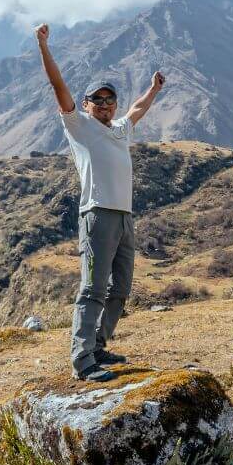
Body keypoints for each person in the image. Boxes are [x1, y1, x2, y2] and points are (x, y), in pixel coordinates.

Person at [35, 23, 166, 381]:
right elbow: (58, 85)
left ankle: (98, 345)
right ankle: (82, 360)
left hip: (124, 217)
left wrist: (153, 89)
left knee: (120, 287)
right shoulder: (79, 125)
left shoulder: (121, 128)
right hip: (98, 215)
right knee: (92, 288)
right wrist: (43, 45)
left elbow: (139, 108)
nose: (105, 105)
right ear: (88, 104)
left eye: (110, 100)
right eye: (98, 100)